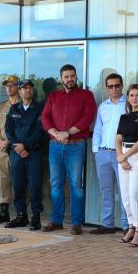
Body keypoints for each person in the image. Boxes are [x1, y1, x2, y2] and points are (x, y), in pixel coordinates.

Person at [41, 64, 97, 235]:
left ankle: (76, 223)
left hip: (76, 145)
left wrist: (67, 132)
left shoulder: (86, 95)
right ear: (61, 79)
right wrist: (55, 133)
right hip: (55, 146)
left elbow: (88, 117)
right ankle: (57, 221)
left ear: (76, 77)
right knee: (56, 184)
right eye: (66, 77)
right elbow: (45, 116)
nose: (69, 79)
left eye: (72, 76)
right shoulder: (54, 96)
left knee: (75, 185)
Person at [5, 79, 45, 230]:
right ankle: (21, 215)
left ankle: (36, 217)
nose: (28, 90)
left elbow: (40, 131)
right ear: (20, 91)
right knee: (18, 185)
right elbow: (8, 130)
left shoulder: (40, 108)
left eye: (30, 88)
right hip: (17, 153)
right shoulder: (14, 108)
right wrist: (17, 146)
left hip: (33, 153)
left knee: (35, 186)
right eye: (24, 88)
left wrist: (25, 146)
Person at [91, 73, 128, 234]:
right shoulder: (102, 106)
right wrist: (96, 150)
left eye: (117, 85)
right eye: (110, 86)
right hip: (103, 153)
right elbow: (98, 130)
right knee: (106, 190)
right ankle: (108, 224)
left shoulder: (128, 104)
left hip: (122, 154)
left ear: (122, 86)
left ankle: (128, 226)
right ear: (106, 88)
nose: (114, 89)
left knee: (125, 191)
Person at [116, 84, 138, 248]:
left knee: (134, 194)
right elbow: (118, 138)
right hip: (123, 154)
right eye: (131, 95)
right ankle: (130, 226)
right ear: (128, 98)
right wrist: (120, 157)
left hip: (137, 155)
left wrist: (126, 156)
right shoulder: (124, 117)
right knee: (125, 195)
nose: (134, 98)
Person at [0, 75, 21, 224]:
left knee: (18, 180)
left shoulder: (24, 104)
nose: (8, 88)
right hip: (2, 149)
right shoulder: (2, 106)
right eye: (6, 86)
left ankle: (20, 212)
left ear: (18, 87)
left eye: (12, 85)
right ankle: (4, 211)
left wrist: (8, 141)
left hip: (16, 148)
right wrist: (0, 141)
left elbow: (22, 129)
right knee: (3, 178)